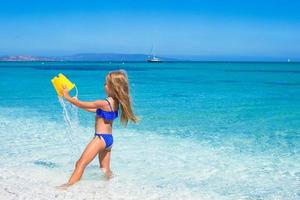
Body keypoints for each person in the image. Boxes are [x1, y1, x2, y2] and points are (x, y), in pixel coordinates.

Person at [58, 70, 138, 189]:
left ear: (113, 87)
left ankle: (67, 187)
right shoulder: (115, 103)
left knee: (80, 164)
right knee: (105, 170)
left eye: (106, 83)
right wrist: (75, 103)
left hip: (100, 139)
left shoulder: (104, 102)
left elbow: (83, 104)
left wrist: (68, 97)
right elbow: (95, 110)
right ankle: (113, 186)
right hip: (109, 140)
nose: (104, 86)